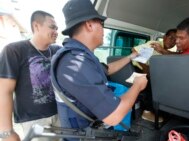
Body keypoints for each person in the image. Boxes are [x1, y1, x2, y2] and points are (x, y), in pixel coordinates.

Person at [52, 0, 147, 139]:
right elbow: (114, 116)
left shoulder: (80, 56)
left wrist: (131, 56)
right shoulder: (75, 63)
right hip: (83, 136)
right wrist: (138, 85)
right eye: (101, 24)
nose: (103, 30)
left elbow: (106, 70)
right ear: (89, 25)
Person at [0, 10, 60, 141]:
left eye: (57, 28)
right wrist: (6, 131)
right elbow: (4, 91)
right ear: (36, 26)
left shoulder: (58, 51)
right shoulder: (14, 50)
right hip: (35, 121)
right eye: (52, 27)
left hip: (61, 114)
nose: (56, 31)